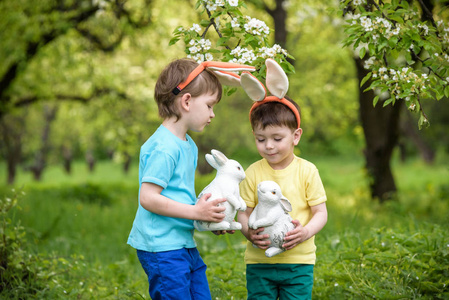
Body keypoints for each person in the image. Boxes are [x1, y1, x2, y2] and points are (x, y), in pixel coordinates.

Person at [127, 58, 254, 299]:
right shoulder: (164, 148)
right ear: (186, 101)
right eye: (209, 106)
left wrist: (209, 218)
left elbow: (179, 196)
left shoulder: (188, 145)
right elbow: (148, 198)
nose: (213, 114)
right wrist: (197, 213)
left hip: (181, 241)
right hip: (162, 246)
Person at [238, 96, 328, 300]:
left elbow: (320, 213)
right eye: (260, 139)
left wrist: (305, 232)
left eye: (277, 139)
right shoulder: (252, 172)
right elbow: (243, 213)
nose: (268, 146)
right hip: (259, 262)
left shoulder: (307, 171)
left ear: (296, 136)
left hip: (298, 262)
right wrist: (248, 233)